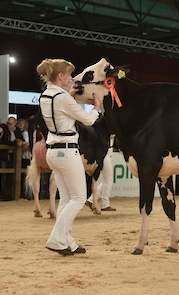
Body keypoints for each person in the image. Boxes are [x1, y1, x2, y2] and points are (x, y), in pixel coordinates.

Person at [37, 58, 102, 256]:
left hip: (53, 151)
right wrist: (97, 107)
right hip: (67, 151)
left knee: (66, 199)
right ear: (61, 76)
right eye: (70, 75)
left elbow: (62, 105)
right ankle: (56, 239)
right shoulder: (63, 98)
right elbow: (88, 120)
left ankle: (68, 242)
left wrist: (69, 95)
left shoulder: (46, 96)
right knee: (79, 198)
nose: (72, 79)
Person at [86, 134, 116, 212]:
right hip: (104, 152)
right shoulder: (105, 126)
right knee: (108, 180)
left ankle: (91, 200)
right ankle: (105, 204)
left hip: (108, 152)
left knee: (105, 181)